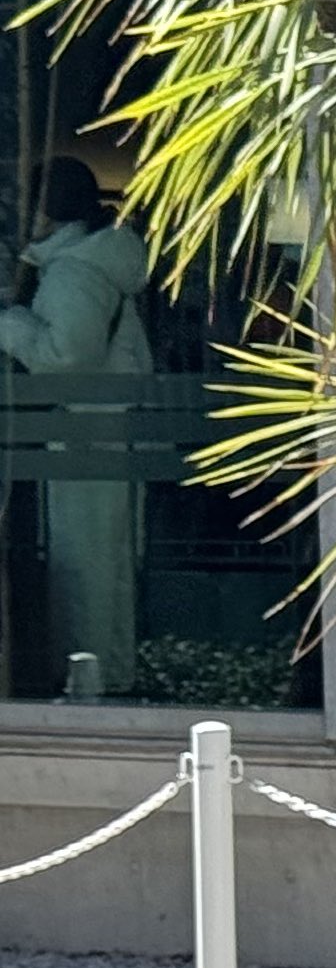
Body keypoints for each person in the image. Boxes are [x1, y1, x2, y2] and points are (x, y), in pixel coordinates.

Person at [0, 159, 156, 694]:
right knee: (104, 558)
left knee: (84, 560)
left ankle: (89, 680)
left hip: (85, 432)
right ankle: (105, 675)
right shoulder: (95, 263)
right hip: (107, 431)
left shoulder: (75, 273)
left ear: (46, 210)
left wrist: (10, 324)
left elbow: (65, 357)